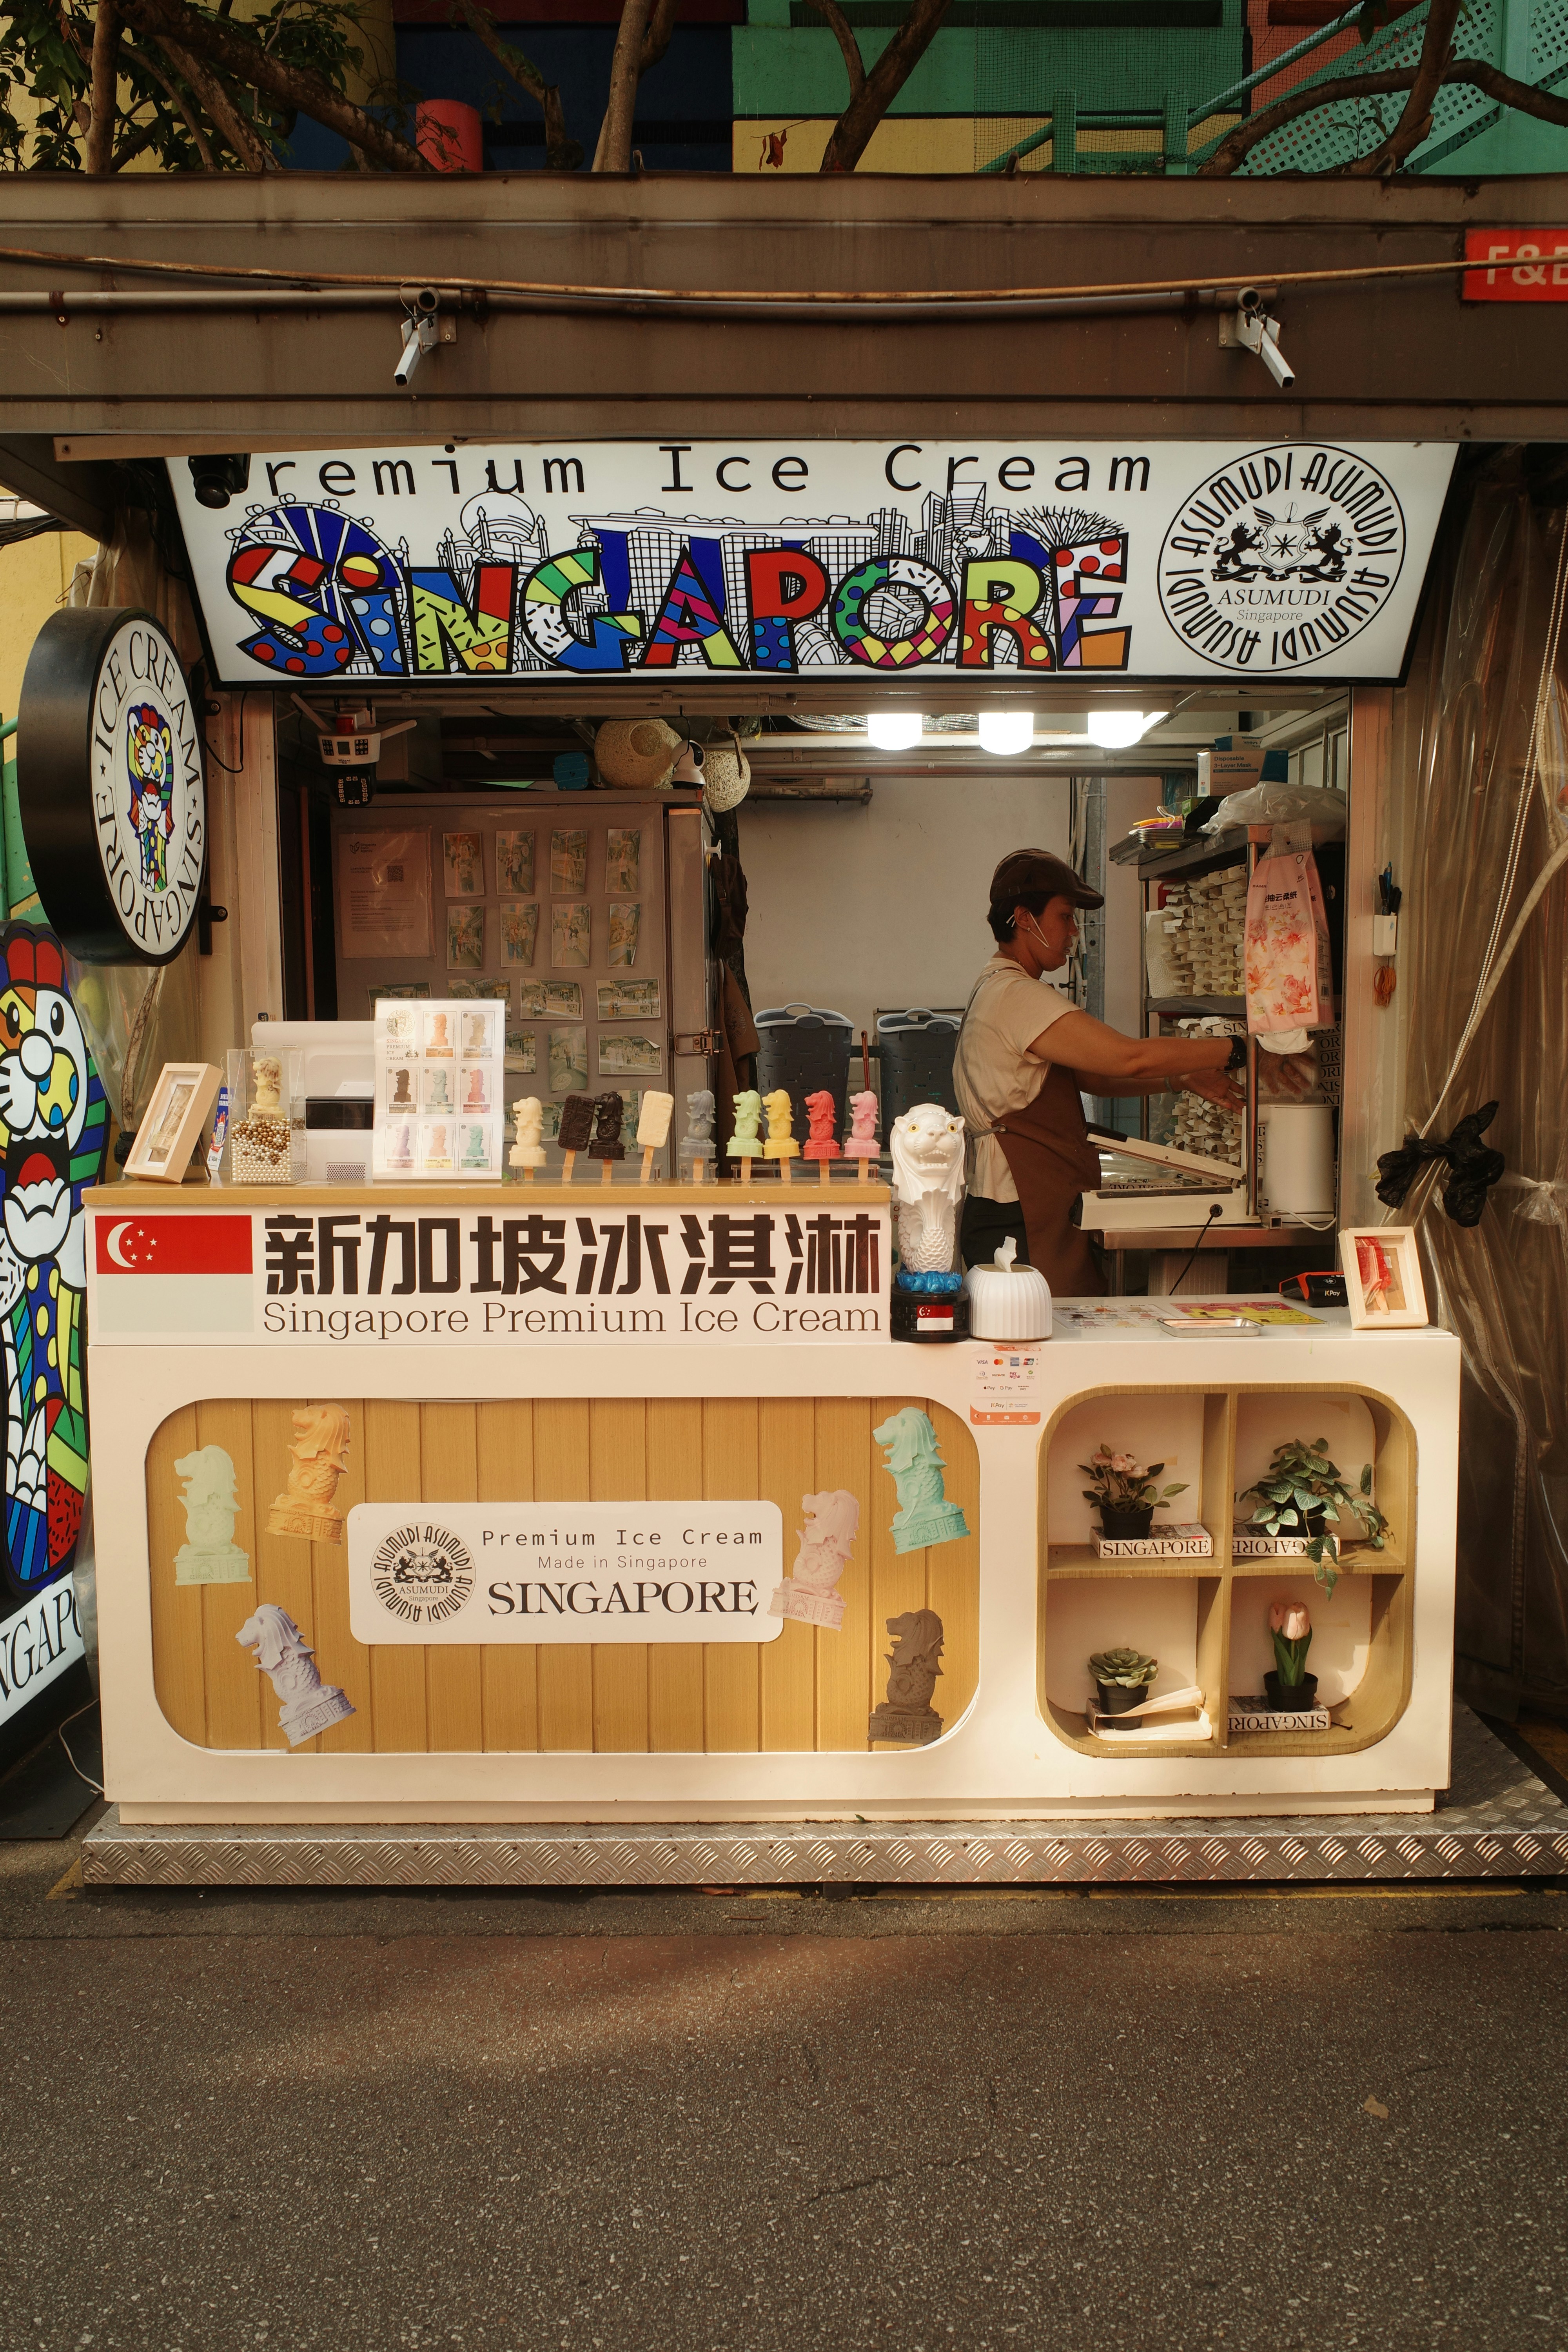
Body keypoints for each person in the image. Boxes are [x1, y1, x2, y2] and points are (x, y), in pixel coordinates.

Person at [953, 848, 1247, 1296]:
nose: (1073, 932)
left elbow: (1092, 1077)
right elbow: (1128, 1058)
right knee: (1037, 1343)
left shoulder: (999, 987)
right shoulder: (1016, 995)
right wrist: (1238, 1048)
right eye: (1065, 916)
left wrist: (1182, 1078)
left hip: (1014, 1208)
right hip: (1020, 1210)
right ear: (1022, 917)